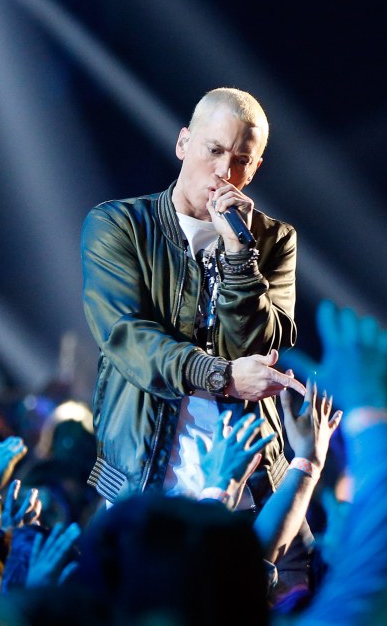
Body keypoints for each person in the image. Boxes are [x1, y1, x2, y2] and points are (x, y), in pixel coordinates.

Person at [80, 87, 303, 506]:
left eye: (240, 161)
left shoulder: (274, 240)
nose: (224, 171)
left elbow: (257, 346)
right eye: (213, 150)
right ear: (183, 142)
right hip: (145, 473)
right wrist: (223, 376)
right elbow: (127, 336)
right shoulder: (119, 224)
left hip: (247, 477)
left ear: (254, 169)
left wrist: (240, 253)